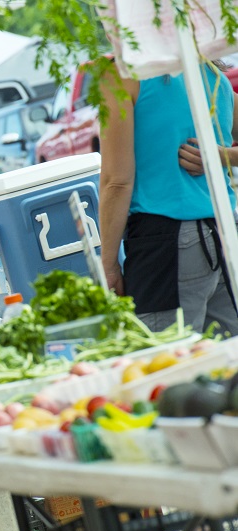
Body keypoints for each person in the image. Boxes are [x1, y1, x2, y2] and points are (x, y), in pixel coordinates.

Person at [99, 59, 238, 334]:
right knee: (226, 366)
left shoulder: (122, 76)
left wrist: (108, 263)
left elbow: (116, 182)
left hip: (164, 246)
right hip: (225, 237)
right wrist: (224, 156)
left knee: (168, 364)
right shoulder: (212, 74)